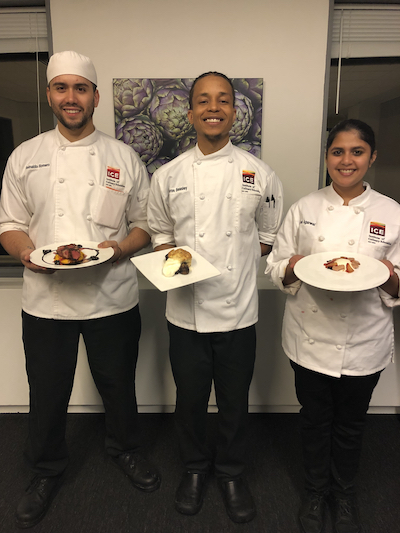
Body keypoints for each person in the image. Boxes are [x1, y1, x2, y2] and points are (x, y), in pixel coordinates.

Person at [0, 51, 160, 529]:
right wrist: (27, 253)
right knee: (47, 391)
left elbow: (145, 224)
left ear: (94, 96)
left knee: (118, 384)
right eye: (61, 88)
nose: (71, 97)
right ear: (49, 94)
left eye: (81, 88)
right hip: (45, 301)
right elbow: (10, 224)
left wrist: (118, 250)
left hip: (111, 293)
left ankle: (126, 450)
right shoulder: (24, 157)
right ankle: (47, 470)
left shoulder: (123, 156)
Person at [147, 72, 283, 523]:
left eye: (223, 100)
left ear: (234, 112)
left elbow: (267, 239)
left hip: (238, 311)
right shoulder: (167, 176)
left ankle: (230, 472)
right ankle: (193, 468)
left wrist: (232, 264)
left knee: (234, 400)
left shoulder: (260, 174)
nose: (214, 107)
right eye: (203, 100)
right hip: (184, 312)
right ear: (190, 113)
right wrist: (181, 261)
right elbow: (161, 238)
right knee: (188, 399)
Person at [265, 119, 400, 533]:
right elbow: (275, 266)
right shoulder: (304, 208)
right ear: (327, 157)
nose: (346, 160)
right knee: (313, 419)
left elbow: (398, 283)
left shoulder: (391, 212)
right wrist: (289, 267)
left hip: (365, 339)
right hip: (309, 336)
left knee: (351, 423)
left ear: (371, 157)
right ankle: (314, 491)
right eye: (337, 152)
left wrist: (387, 273)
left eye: (357, 152)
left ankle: (343, 494)